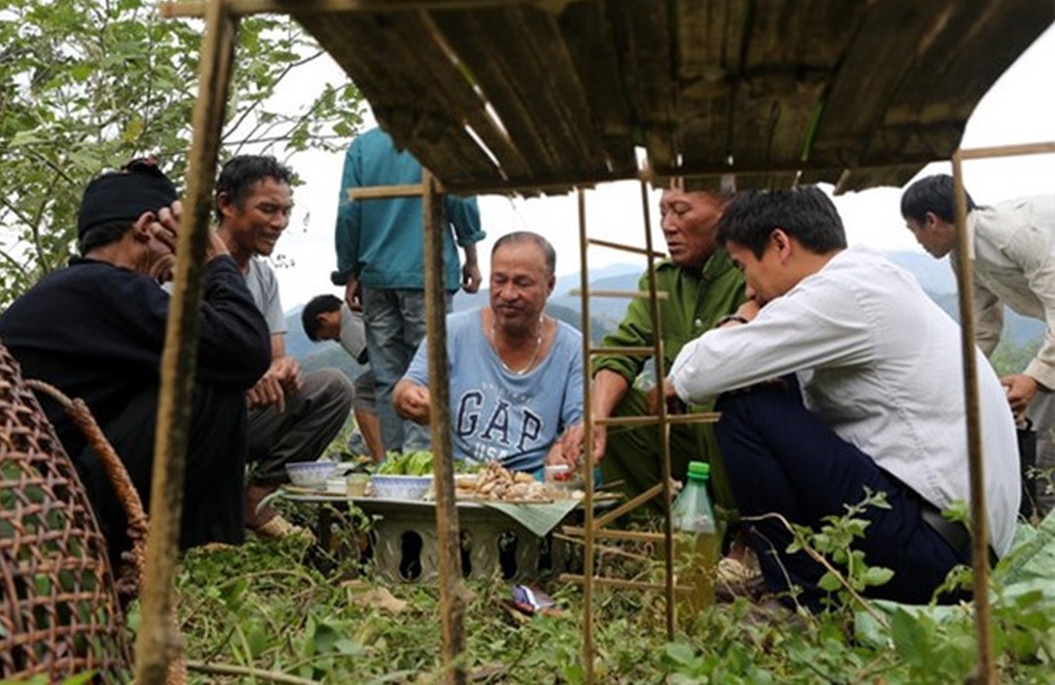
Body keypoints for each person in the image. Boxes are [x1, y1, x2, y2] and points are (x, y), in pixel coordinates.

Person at [662, 186, 1020, 610]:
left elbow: (695, 373)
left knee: (745, 408)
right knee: (774, 378)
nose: (750, 285)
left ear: (779, 244)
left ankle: (802, 600)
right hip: (956, 546)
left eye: (744, 267)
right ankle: (813, 579)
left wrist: (744, 317)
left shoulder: (842, 295)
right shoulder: (868, 278)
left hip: (935, 555)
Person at [0, 159, 271, 569]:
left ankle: (185, 552)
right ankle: (204, 553)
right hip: (51, 505)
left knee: (202, 363)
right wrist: (215, 261)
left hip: (25, 493)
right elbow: (244, 350)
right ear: (146, 228)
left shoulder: (83, 289)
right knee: (210, 381)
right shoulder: (110, 288)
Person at [556, 186, 747, 509]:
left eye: (681, 211)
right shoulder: (662, 281)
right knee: (615, 409)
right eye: (662, 213)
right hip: (687, 445)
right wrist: (596, 417)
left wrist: (685, 383)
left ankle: (747, 528)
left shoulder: (750, 272)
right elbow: (622, 352)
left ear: (726, 211)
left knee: (713, 402)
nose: (668, 225)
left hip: (741, 445)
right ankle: (653, 527)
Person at [901, 175, 1055, 518]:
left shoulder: (1011, 234)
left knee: (1038, 420)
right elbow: (982, 327)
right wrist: (955, 380)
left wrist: (1034, 378)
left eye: (914, 229)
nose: (917, 241)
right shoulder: (963, 256)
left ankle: (1045, 522)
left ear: (932, 220)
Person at [216, 155, 352, 539]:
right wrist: (241, 379)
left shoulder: (262, 275)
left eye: (285, 211)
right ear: (226, 204)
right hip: (197, 417)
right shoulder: (187, 268)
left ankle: (256, 498)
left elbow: (276, 357)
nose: (279, 223)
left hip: (246, 415)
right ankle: (202, 508)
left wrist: (284, 370)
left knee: (333, 386)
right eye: (267, 209)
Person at [334, 126, 486, 454]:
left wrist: (350, 269)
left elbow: (348, 212)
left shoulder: (363, 146)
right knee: (428, 374)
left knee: (387, 376)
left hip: (376, 275)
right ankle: (424, 467)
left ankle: (396, 466)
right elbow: (461, 200)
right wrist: (471, 255)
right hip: (427, 270)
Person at [393, 232, 583, 473]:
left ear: (550, 285)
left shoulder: (572, 348)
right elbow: (408, 385)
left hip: (532, 483)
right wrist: (408, 396)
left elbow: (581, 422)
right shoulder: (451, 331)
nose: (508, 294)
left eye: (522, 283)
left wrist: (565, 445)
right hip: (459, 477)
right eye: (499, 281)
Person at [302, 293, 385, 462]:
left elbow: (366, 355)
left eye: (327, 336)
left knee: (361, 390)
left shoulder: (347, 322)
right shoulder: (356, 308)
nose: (335, 340)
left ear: (323, 319)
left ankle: (380, 458)